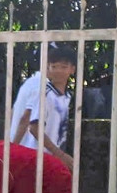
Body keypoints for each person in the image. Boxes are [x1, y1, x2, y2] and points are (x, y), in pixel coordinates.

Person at [11, 44, 77, 172]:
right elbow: (30, 123)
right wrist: (13, 150)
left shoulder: (66, 96)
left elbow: (17, 114)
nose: (58, 70)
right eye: (54, 65)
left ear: (72, 69)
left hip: (46, 156)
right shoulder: (41, 88)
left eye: (63, 66)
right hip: (35, 155)